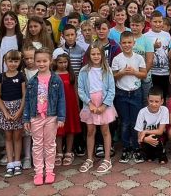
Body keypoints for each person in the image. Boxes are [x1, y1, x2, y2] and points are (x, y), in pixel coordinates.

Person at [24, 48, 66, 185]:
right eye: (38, 61)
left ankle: (49, 171)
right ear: (35, 62)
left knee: (49, 144)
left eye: (44, 61)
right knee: (37, 145)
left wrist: (61, 117)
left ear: (50, 61)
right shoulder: (32, 81)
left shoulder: (56, 80)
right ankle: (38, 172)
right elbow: (28, 101)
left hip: (51, 117)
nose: (41, 64)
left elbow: (61, 99)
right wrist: (26, 118)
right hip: (35, 117)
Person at [78, 45, 116, 175]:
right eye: (93, 54)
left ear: (102, 55)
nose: (95, 56)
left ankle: (107, 159)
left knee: (105, 130)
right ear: (89, 56)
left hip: (104, 104)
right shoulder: (84, 71)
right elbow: (81, 90)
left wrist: (104, 105)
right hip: (90, 105)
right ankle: (89, 158)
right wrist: (90, 104)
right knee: (90, 130)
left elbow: (111, 90)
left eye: (98, 54)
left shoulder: (107, 70)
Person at [112, 31, 146, 164]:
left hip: (136, 93)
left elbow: (144, 74)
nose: (126, 45)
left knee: (135, 122)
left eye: (129, 42)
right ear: (120, 44)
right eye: (124, 43)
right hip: (122, 93)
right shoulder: (117, 59)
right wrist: (122, 72)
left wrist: (134, 72)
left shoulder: (138, 58)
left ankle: (137, 147)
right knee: (125, 122)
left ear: (134, 43)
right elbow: (113, 76)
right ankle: (126, 147)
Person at [0, 49, 26, 177]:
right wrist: (5, 112)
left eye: (16, 61)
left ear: (19, 62)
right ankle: (10, 163)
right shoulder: (1, 76)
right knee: (8, 137)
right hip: (5, 110)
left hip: (18, 109)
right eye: (10, 61)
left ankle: (17, 162)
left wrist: (20, 111)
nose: (13, 63)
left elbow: (25, 95)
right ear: (5, 61)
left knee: (17, 137)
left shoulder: (21, 76)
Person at [53, 52, 81, 166]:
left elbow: (75, 91)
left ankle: (69, 152)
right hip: (58, 107)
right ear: (55, 62)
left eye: (65, 62)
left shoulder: (71, 75)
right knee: (58, 131)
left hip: (71, 106)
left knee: (71, 128)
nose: (63, 64)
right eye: (60, 62)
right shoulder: (53, 75)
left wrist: (78, 106)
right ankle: (59, 152)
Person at [135, 88, 169, 163]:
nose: (153, 104)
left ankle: (162, 154)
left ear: (162, 101)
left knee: (158, 137)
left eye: (157, 101)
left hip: (159, 136)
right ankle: (150, 154)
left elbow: (160, 131)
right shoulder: (142, 112)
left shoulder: (164, 110)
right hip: (146, 138)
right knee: (147, 154)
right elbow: (139, 136)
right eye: (151, 101)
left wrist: (145, 131)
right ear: (147, 99)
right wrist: (145, 139)